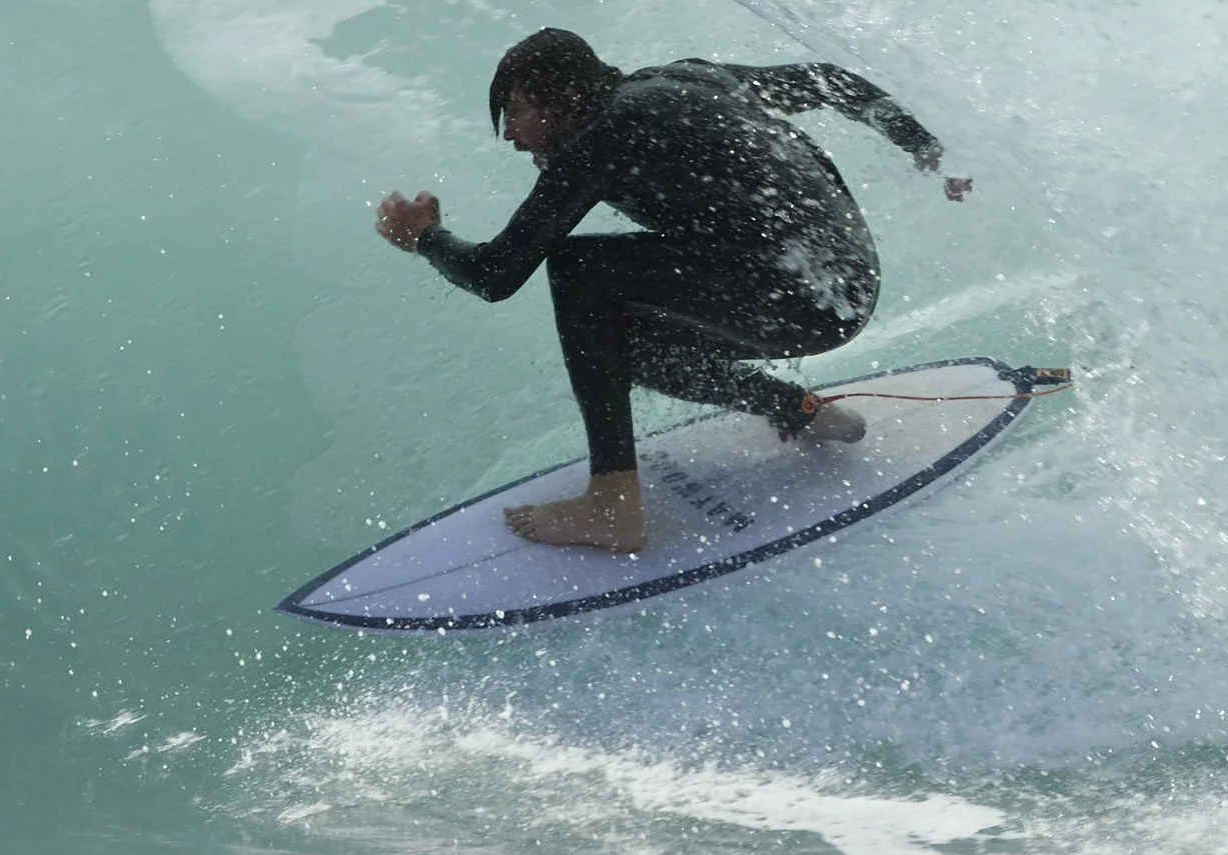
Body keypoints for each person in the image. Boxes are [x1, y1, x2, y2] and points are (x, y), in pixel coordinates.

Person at [375, 28, 968, 554]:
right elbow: (828, 81)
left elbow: (495, 275)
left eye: (519, 111)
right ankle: (799, 410)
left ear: (562, 104)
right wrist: (921, 143)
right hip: (843, 277)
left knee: (577, 268)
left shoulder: (602, 138)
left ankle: (612, 502)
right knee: (616, 343)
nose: (512, 136)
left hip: (809, 300)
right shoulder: (682, 80)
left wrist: (425, 237)